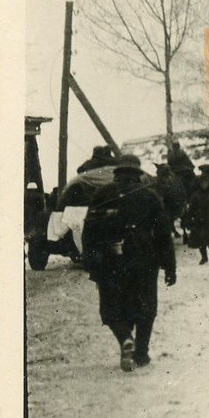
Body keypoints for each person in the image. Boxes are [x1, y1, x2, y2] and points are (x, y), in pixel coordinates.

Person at [81, 154, 176, 372]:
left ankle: (125, 338)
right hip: (144, 257)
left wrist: (91, 261)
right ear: (137, 173)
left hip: (109, 258)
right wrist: (169, 266)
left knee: (111, 307)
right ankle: (141, 353)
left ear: (117, 172)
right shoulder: (150, 196)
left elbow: (89, 231)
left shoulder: (101, 194)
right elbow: (163, 234)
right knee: (146, 306)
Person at [154, 164, 187, 241]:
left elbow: (178, 190)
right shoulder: (160, 179)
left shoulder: (173, 179)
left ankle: (184, 232)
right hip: (169, 201)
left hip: (174, 201)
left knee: (181, 216)